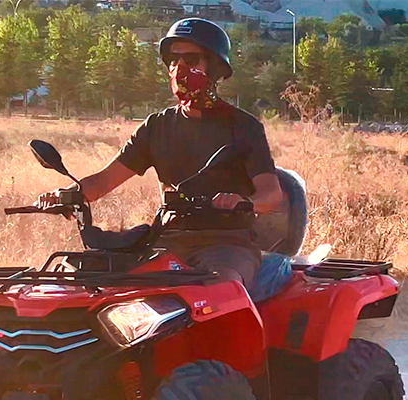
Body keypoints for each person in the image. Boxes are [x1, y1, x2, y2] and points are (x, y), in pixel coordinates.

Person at [36, 17, 284, 289]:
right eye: (173, 61)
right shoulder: (157, 127)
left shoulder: (243, 127)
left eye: (190, 60)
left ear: (213, 67)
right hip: (166, 241)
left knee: (222, 291)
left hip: (227, 244)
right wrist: (66, 195)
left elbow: (271, 193)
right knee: (98, 286)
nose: (179, 68)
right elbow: (103, 182)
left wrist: (242, 201)